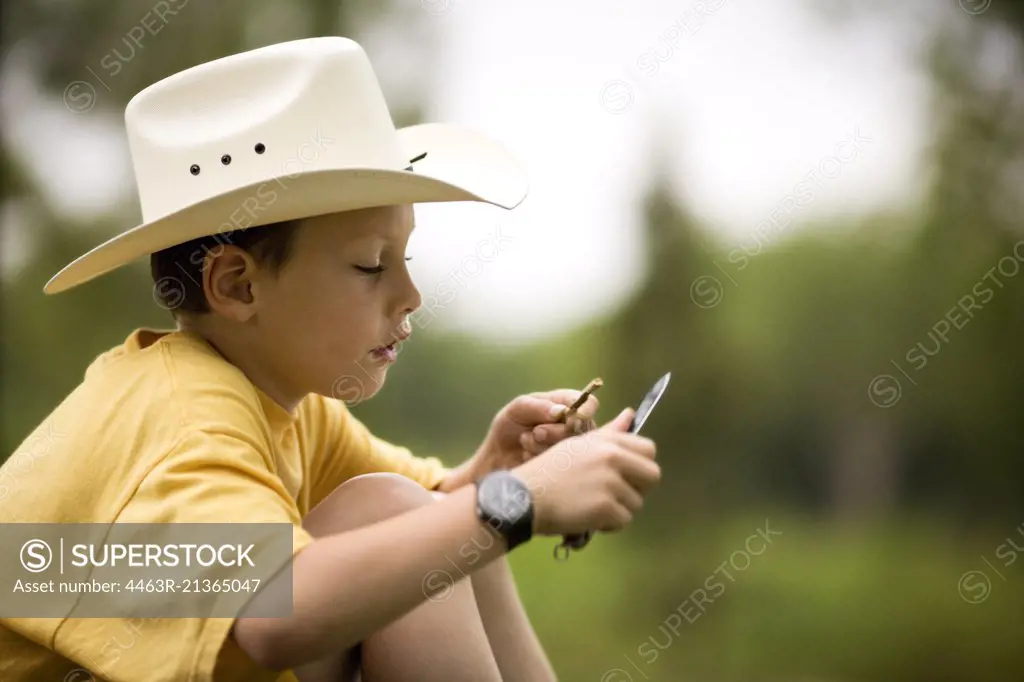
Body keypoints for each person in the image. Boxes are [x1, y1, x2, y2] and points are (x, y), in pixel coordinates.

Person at [0, 37, 660, 682]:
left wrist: (495, 471)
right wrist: (516, 499)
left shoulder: (282, 401)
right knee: (417, 522)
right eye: (371, 265)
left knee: (436, 526)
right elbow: (270, 613)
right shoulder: (185, 420)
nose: (411, 296)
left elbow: (440, 510)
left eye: (407, 259)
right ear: (237, 285)